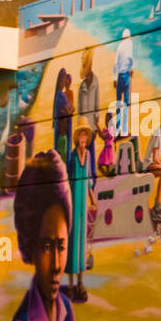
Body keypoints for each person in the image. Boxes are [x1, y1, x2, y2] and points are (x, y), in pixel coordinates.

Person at [7, 151, 79, 321]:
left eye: (61, 246)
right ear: (31, 247)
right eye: (47, 247)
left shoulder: (67, 311)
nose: (57, 265)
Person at [65, 125, 96, 301]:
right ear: (77, 138)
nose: (83, 138)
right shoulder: (72, 156)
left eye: (85, 135)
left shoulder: (89, 155)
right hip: (74, 199)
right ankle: (70, 284)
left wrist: (93, 199)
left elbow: (89, 180)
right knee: (72, 239)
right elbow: (68, 180)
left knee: (82, 240)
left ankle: (80, 282)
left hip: (84, 199)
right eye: (81, 135)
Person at [114, 29, 134, 137]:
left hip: (119, 76)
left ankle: (118, 129)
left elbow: (116, 62)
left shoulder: (120, 46)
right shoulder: (129, 44)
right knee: (125, 104)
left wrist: (114, 78)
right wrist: (131, 69)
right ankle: (125, 130)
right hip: (126, 75)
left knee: (118, 103)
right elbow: (131, 59)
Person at [52, 68, 74, 159]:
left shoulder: (58, 95)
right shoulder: (61, 96)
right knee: (63, 154)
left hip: (62, 130)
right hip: (63, 132)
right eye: (65, 79)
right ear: (61, 81)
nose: (66, 81)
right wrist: (72, 109)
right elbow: (69, 112)